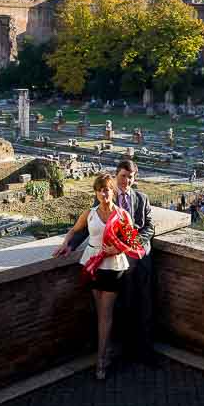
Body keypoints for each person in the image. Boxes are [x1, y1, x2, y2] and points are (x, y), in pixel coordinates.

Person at [58, 160, 157, 366]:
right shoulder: (104, 199)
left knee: (143, 305)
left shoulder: (142, 198)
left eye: (130, 177)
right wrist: (70, 245)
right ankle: (114, 351)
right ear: (115, 177)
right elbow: (87, 226)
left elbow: (149, 227)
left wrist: (131, 245)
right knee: (115, 308)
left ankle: (144, 351)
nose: (127, 180)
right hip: (110, 263)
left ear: (134, 178)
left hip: (138, 258)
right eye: (123, 176)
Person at [53, 173, 131, 380]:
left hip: (113, 266)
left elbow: (132, 242)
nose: (104, 193)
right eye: (100, 190)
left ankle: (101, 360)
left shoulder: (123, 214)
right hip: (93, 265)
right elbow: (73, 231)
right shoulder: (89, 213)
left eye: (107, 189)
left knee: (105, 315)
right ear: (96, 193)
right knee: (100, 314)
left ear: (112, 191)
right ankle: (107, 351)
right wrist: (65, 244)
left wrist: (116, 250)